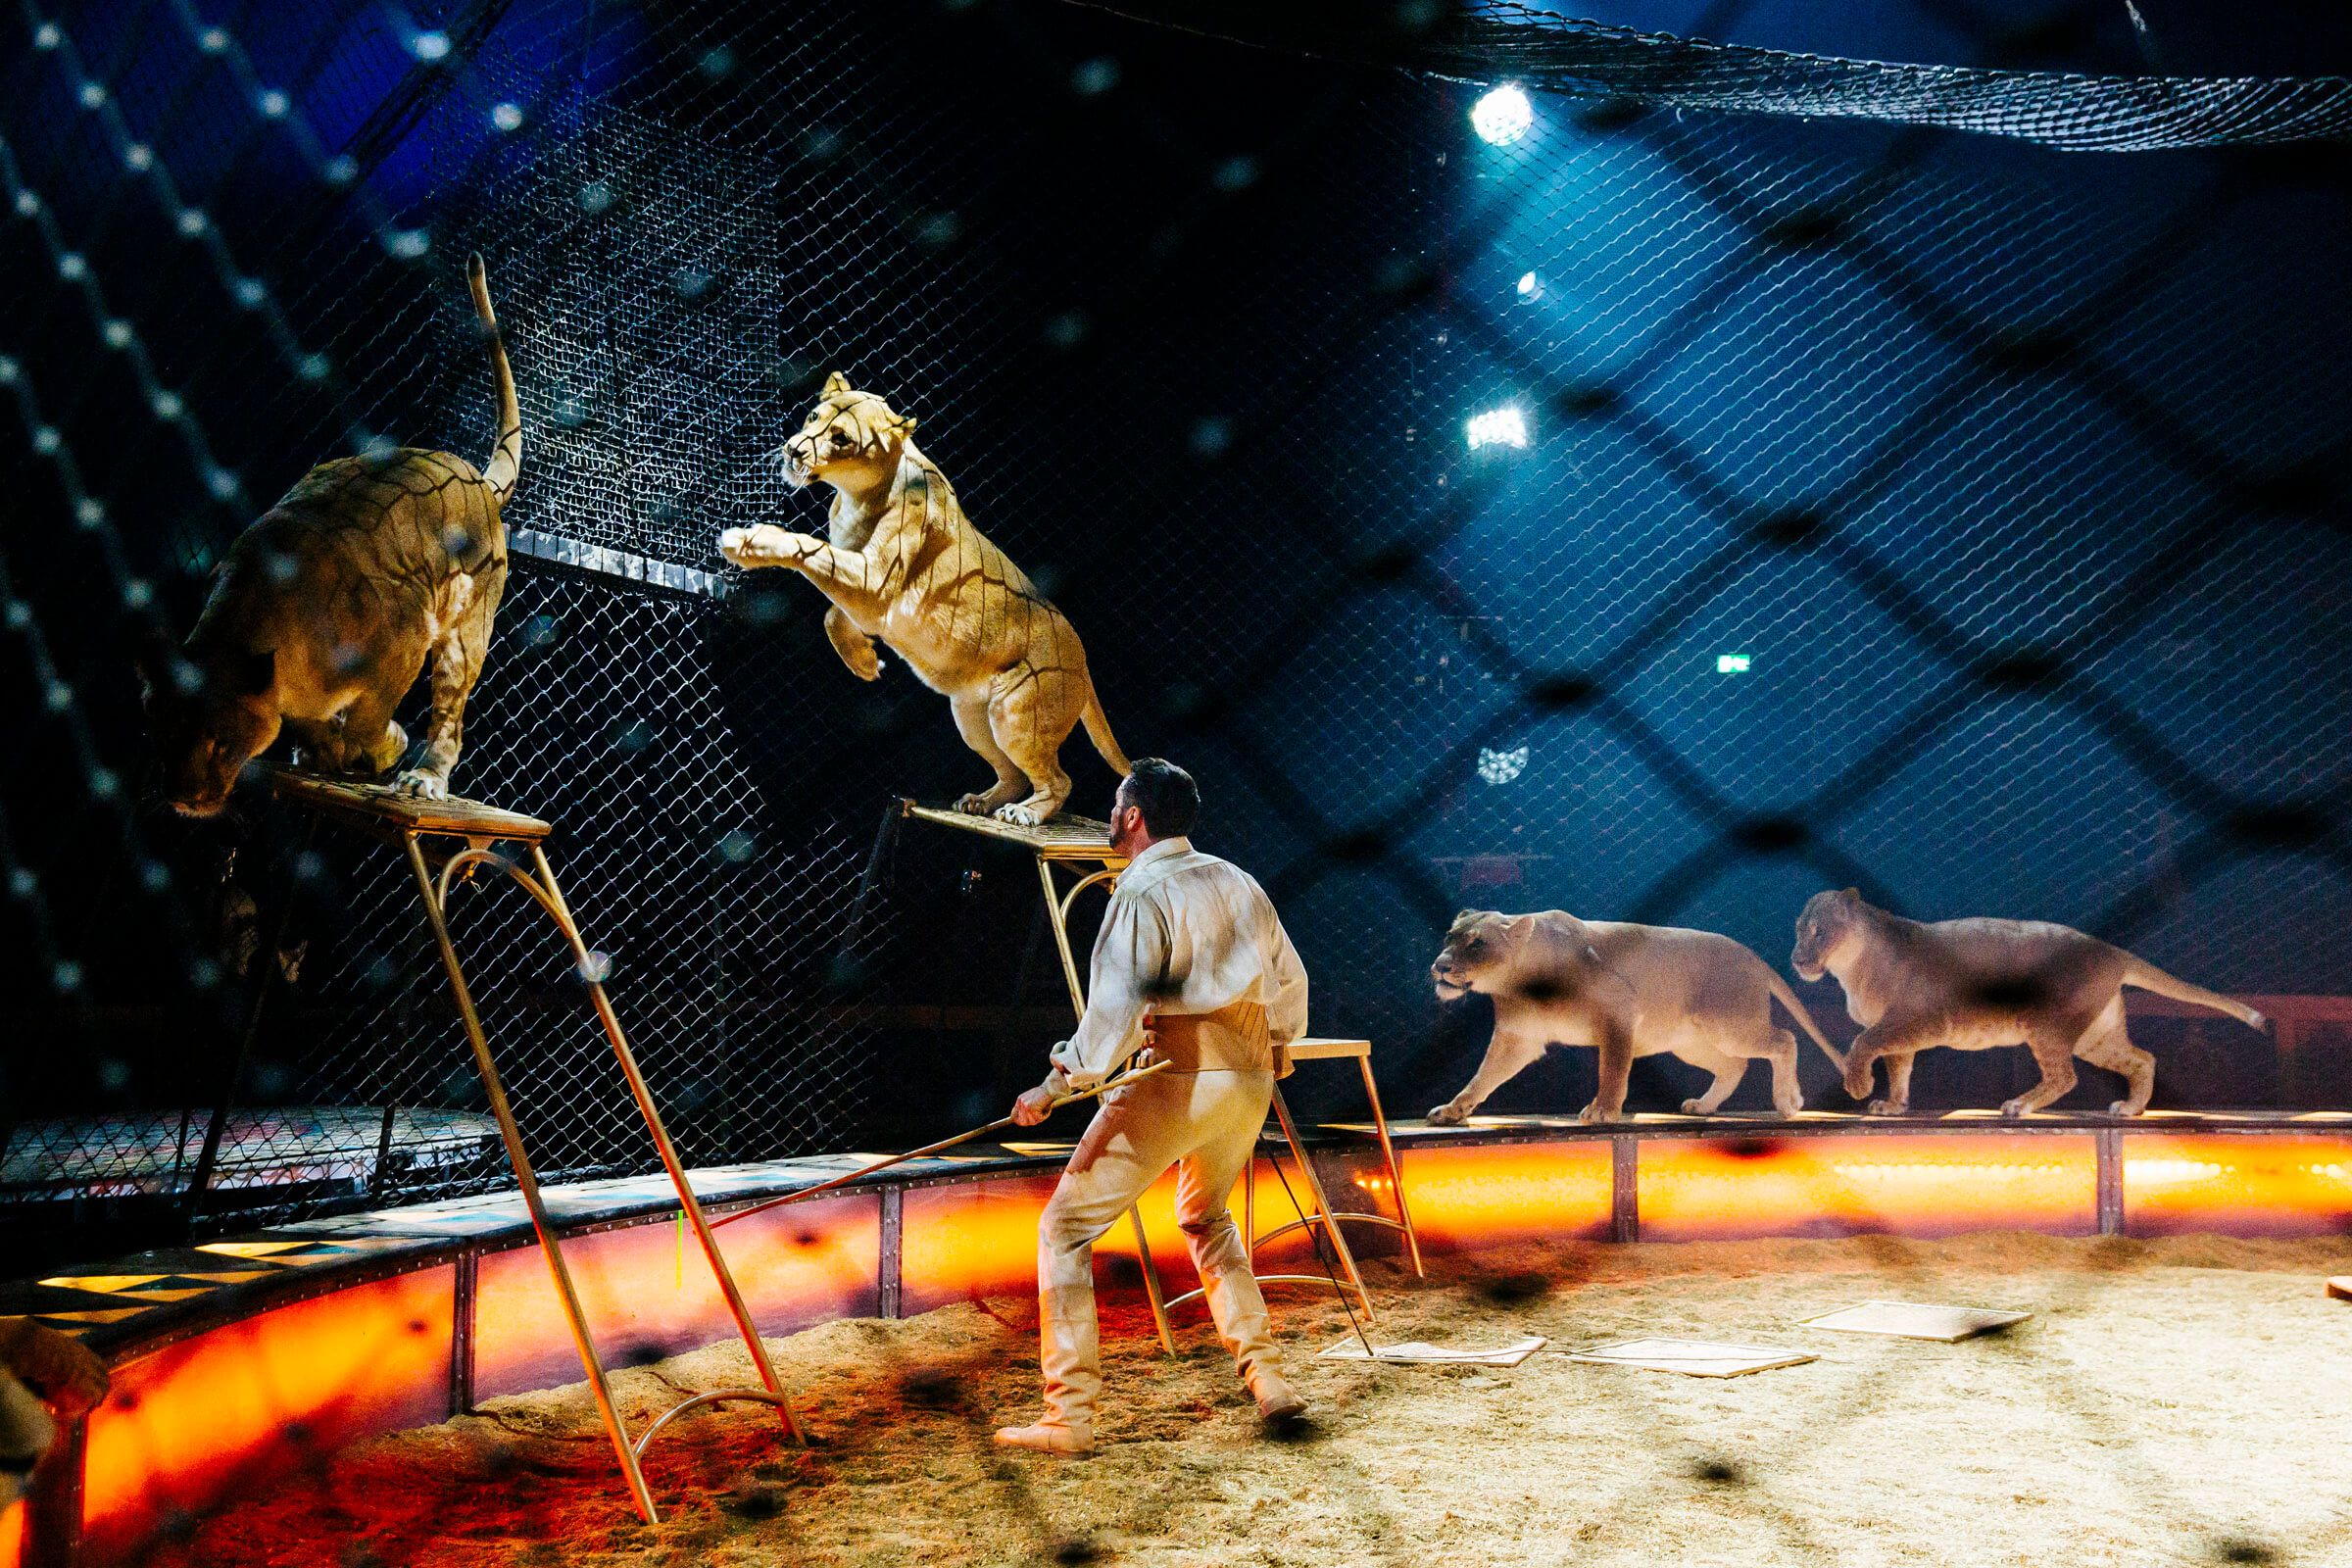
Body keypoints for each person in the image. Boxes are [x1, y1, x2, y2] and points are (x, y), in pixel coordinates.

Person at [996, 758, 1311, 1456]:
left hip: (1182, 1072)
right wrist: (1279, 1043)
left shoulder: (1140, 889)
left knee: (1064, 1229)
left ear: (1133, 817)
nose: (1110, 815)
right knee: (1206, 1217)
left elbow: (1111, 1015)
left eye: (1115, 805)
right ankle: (1270, 1383)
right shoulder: (1238, 878)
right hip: (1250, 1074)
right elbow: (1290, 977)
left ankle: (1068, 1416)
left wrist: (1054, 1089)